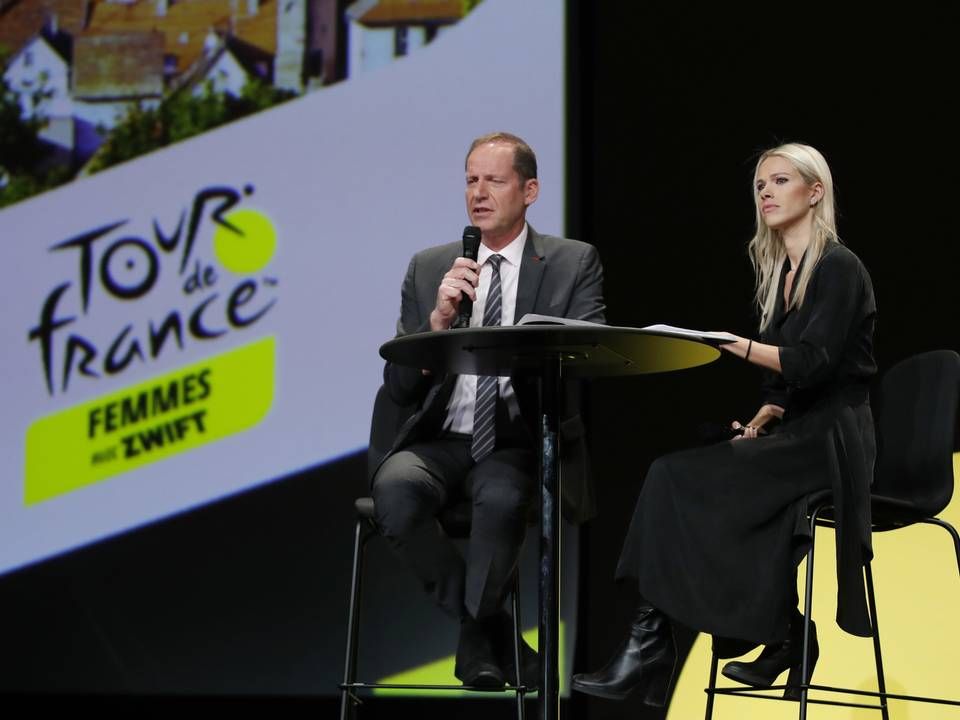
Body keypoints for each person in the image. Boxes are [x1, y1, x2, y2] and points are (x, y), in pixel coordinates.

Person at [571, 142, 877, 705]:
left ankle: (660, 646)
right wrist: (767, 413)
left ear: (815, 193)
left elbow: (815, 363)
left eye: (780, 181)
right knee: (684, 474)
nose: (766, 191)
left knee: (678, 478)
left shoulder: (838, 266)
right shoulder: (783, 270)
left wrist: (730, 344)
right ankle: (765, 635)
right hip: (799, 432)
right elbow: (790, 384)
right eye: (761, 184)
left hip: (833, 441)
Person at [372, 131, 606, 687]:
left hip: (517, 436)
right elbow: (400, 385)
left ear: (530, 190)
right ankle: (486, 629)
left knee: (502, 496)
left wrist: (526, 347)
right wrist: (436, 328)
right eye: (470, 179)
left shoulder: (572, 263)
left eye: (493, 180)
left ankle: (480, 633)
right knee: (395, 490)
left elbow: (589, 359)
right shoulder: (430, 268)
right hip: (440, 440)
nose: (478, 192)